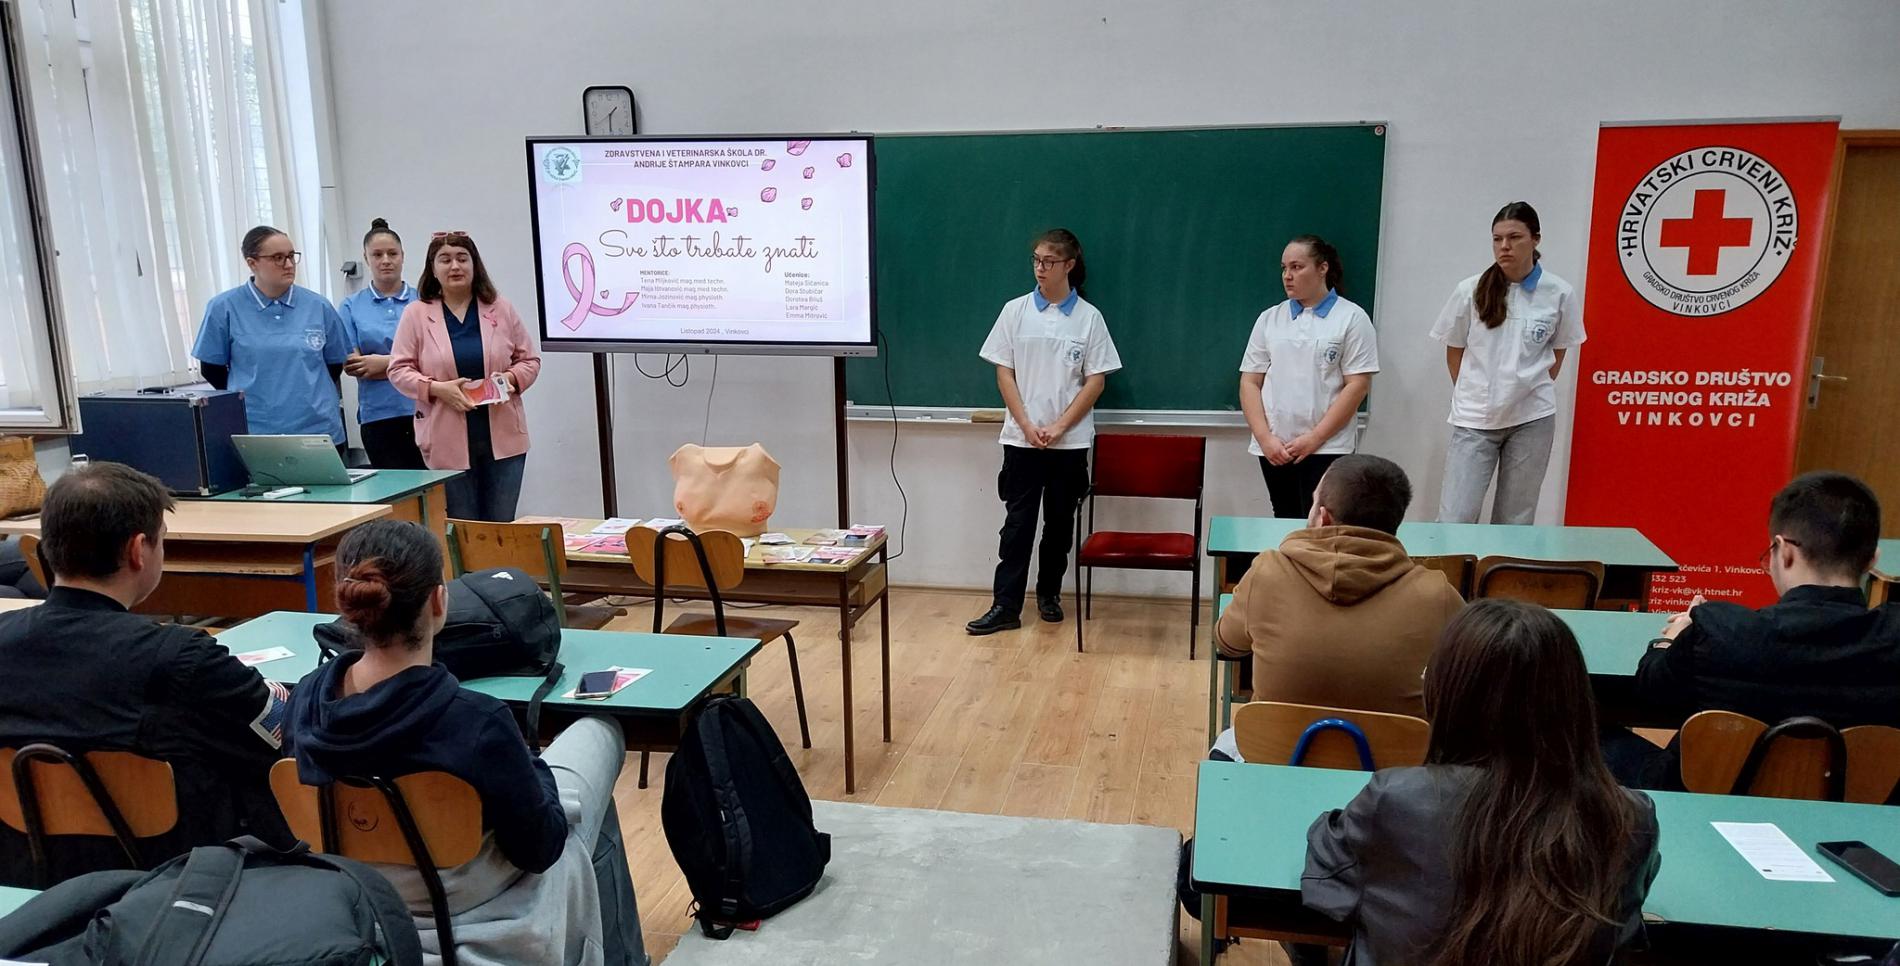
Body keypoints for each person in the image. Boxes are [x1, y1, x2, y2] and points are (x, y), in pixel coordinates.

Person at [285, 520, 644, 966]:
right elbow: (541, 848)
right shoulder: (476, 722)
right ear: (439, 601)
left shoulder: (305, 699)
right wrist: (530, 765)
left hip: (361, 905)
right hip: (474, 909)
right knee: (600, 732)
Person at [1304, 599, 1660, 966]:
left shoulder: (1396, 799)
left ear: (1448, 694)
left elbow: (1327, 878)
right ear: (1574, 699)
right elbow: (1624, 928)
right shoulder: (1630, 819)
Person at [0, 462, 290, 887]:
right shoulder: (182, 658)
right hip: (170, 880)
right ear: (139, 550)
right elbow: (279, 732)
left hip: (29, 878)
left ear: (47, 550)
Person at [1605, 471, 1900, 789]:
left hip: (1702, 803)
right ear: (1871, 560)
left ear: (1784, 551)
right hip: (1856, 813)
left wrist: (1669, 641)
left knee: (1591, 737)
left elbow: (1653, 690)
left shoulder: (1718, 630)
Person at [1211, 454, 1463, 760]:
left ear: (1323, 518)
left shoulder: (1267, 572)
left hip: (1276, 760)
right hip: (1393, 772)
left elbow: (1226, 642)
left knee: (1227, 742)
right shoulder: (1437, 595)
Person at [967, 228, 1122, 635]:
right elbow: (1004, 372)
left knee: (1058, 525)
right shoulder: (1015, 311)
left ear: (1069, 265)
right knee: (1017, 525)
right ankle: (1005, 605)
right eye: (1036, 260)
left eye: (1049, 261)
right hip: (1022, 440)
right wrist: (1026, 424)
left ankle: (1049, 594)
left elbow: (1095, 381)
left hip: (1068, 443)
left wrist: (1059, 426)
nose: (1040, 268)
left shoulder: (1089, 318)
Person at [1430, 202, 1583, 524]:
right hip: (1475, 418)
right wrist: (1475, 391)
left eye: (1514, 237)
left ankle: (1504, 563)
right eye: (1497, 239)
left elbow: (1558, 353)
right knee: (1457, 516)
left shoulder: (1559, 293)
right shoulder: (1469, 290)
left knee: (1516, 519)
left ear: (1535, 239)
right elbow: (1454, 349)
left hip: (1532, 419)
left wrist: (1525, 389)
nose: (1504, 246)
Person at [388, 232, 540, 522]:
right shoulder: (416, 314)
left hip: (503, 439)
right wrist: (436, 389)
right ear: (433, 268)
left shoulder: (500, 308)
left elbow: (529, 360)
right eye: (445, 260)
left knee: (501, 528)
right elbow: (398, 369)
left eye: (462, 258)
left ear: (474, 265)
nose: (455, 266)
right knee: (461, 529)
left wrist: (510, 380)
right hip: (444, 440)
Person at [1238, 235, 1379, 519]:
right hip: (1275, 445)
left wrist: (1315, 438)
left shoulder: (1351, 318)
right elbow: (1250, 382)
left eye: (1297, 267)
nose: (1287, 276)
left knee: (1321, 519)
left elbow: (1357, 385)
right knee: (1284, 517)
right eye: (1284, 268)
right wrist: (1265, 438)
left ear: (1322, 268)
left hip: (1327, 446)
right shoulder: (1270, 318)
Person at [192, 225, 353, 460]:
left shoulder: (318, 306)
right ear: (252, 263)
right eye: (278, 258)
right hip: (257, 431)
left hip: (317, 428)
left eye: (291, 256)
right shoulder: (223, 308)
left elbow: (334, 364)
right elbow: (211, 368)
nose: (288, 264)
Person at [339, 218, 425, 469]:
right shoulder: (350, 306)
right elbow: (356, 366)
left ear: (402, 256)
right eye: (377, 254)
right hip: (378, 416)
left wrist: (382, 363)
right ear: (366, 258)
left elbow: (437, 359)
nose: (385, 260)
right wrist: (411, 365)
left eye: (392, 253)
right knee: (394, 489)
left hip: (425, 410)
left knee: (434, 488)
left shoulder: (425, 301)